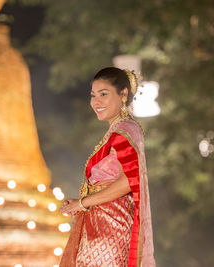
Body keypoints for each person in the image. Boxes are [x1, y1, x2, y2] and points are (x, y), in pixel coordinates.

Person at [60, 67, 156, 267]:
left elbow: (129, 181)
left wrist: (83, 203)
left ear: (123, 94)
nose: (96, 101)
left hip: (112, 226)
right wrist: (81, 202)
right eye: (93, 95)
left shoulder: (126, 130)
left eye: (104, 94)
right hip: (100, 222)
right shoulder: (115, 131)